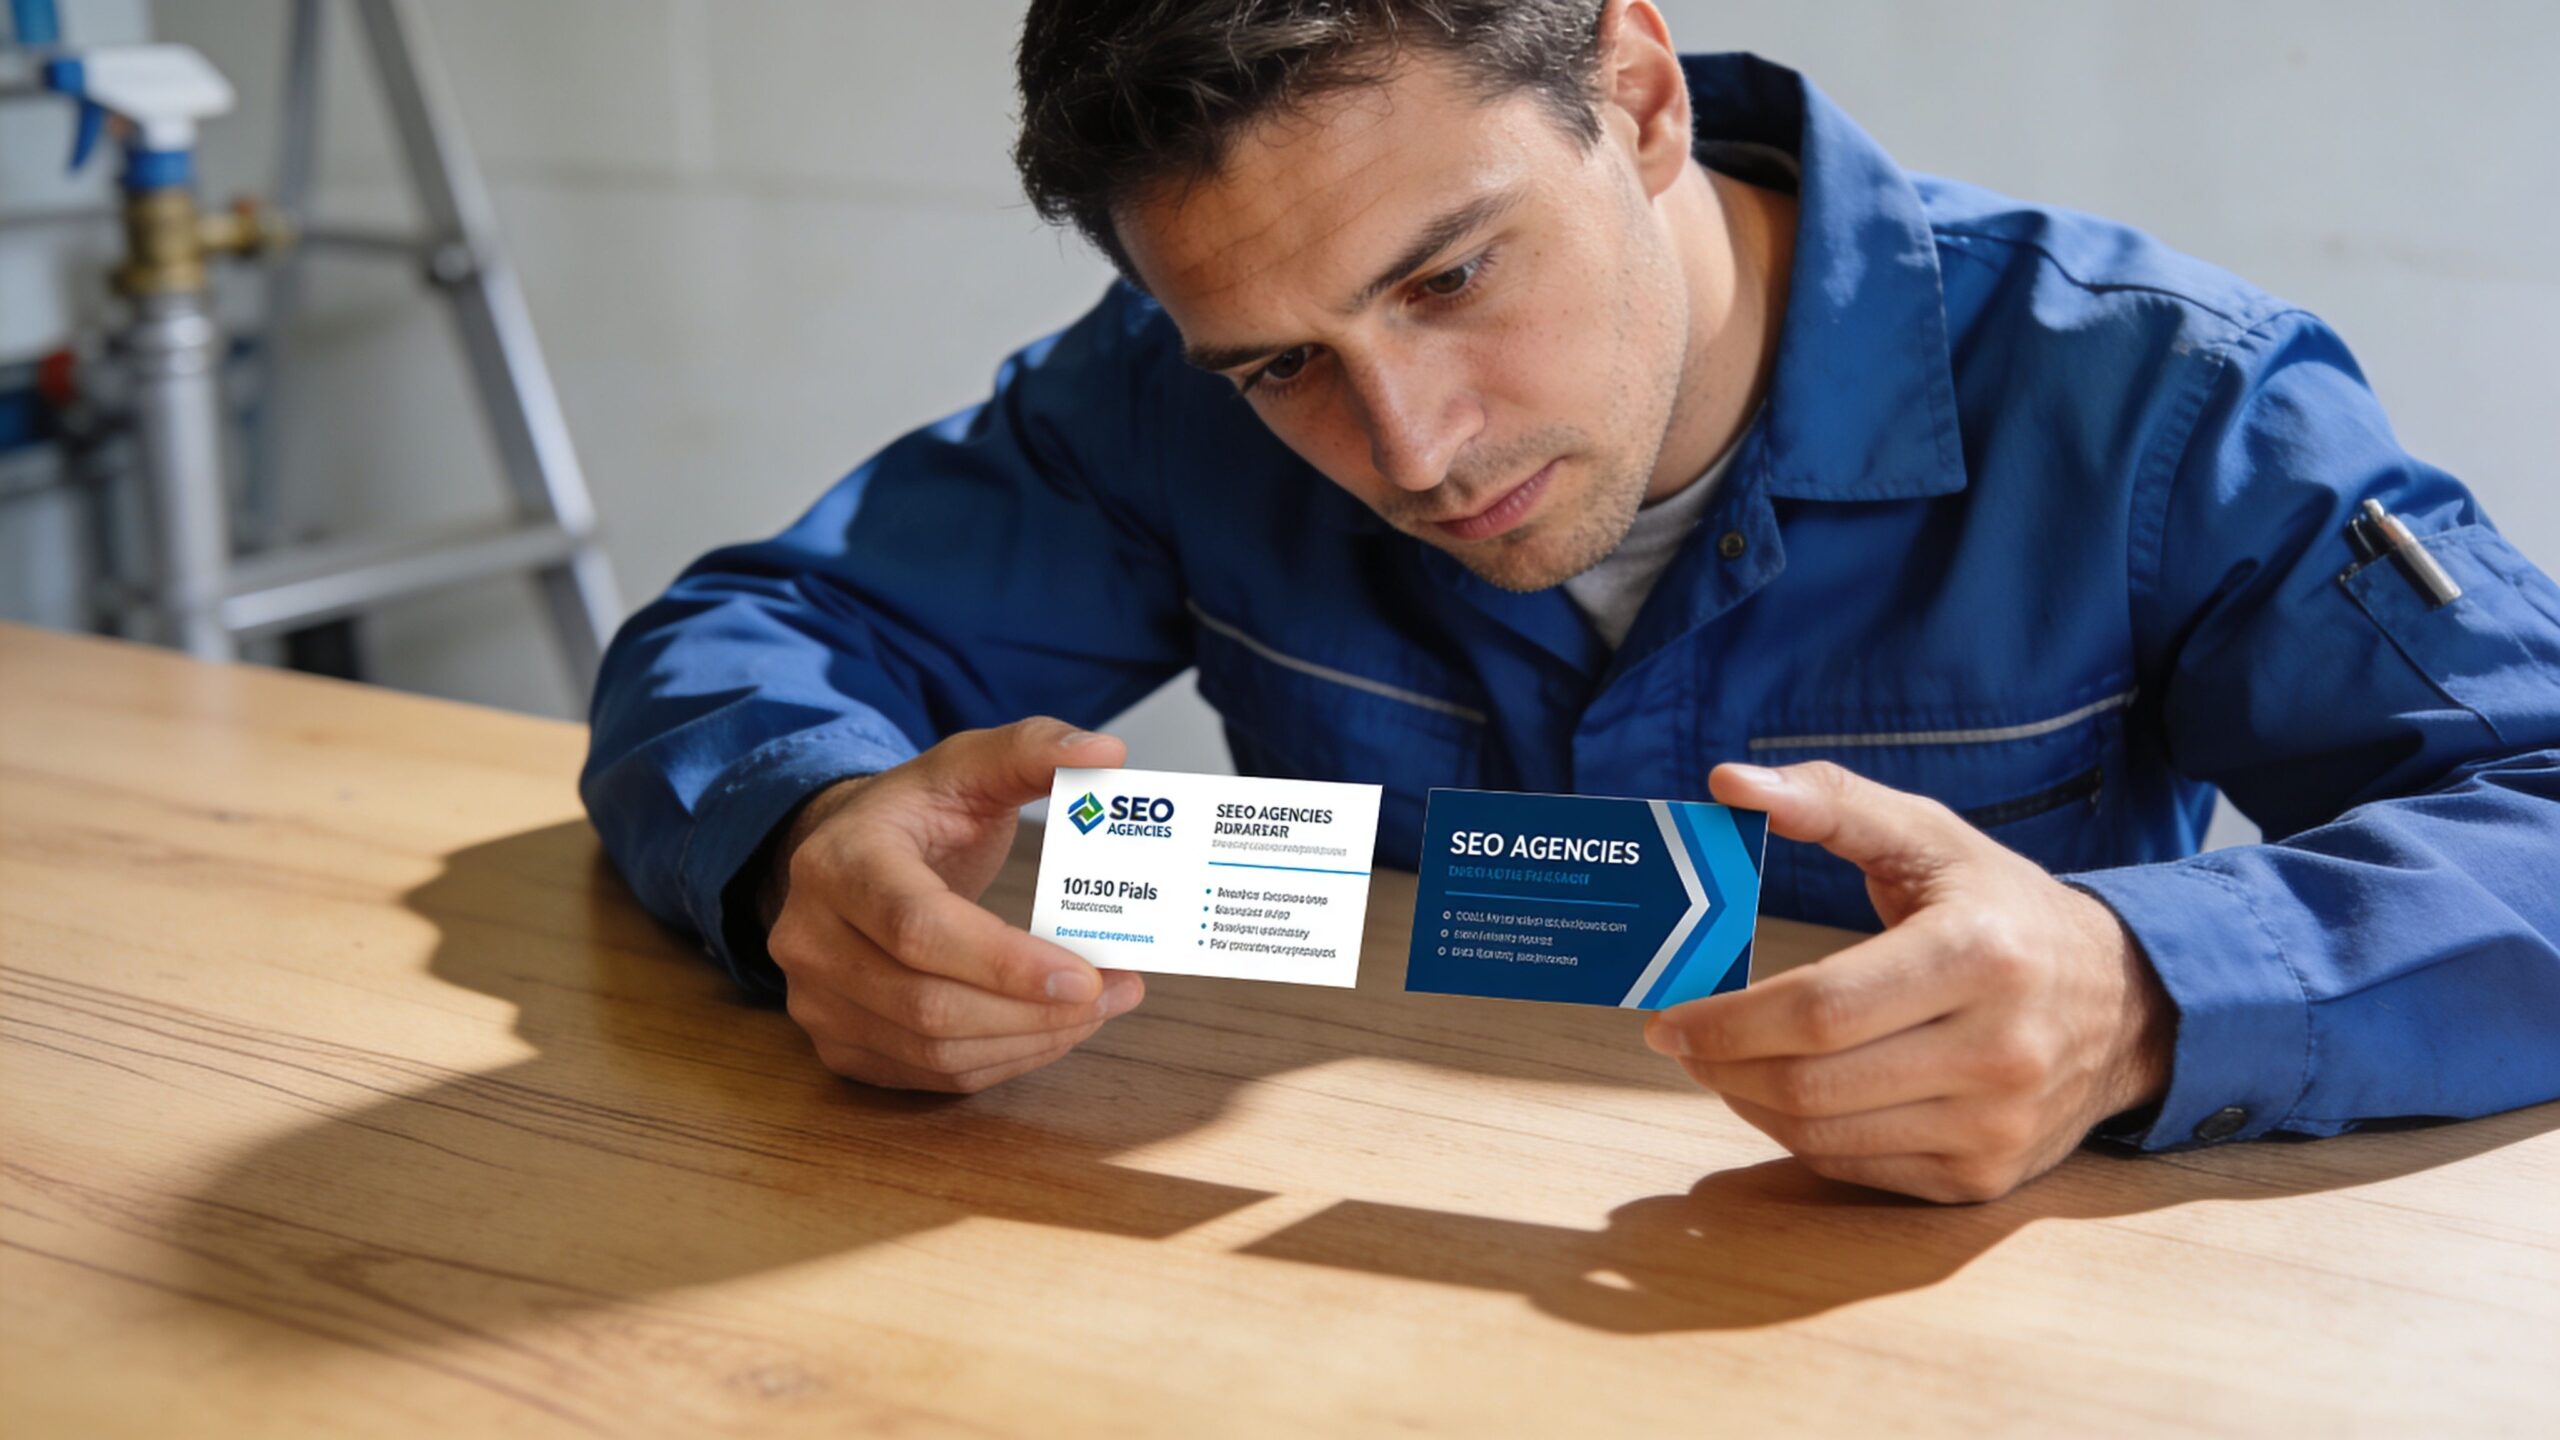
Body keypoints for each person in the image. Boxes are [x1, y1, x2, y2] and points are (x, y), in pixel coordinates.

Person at [580, 0, 2560, 1203]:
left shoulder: (2156, 401)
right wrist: (799, 842)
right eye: (1277, 364)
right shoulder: (1154, 398)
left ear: (1636, 96)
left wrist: (2134, 998)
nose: (1409, 443)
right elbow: (746, 645)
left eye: (1447, 278)